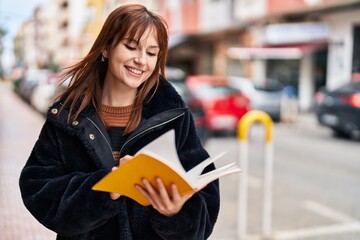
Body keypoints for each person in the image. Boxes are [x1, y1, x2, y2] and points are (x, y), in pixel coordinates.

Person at [19, 4, 220, 240]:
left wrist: (176, 213)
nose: (141, 60)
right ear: (106, 47)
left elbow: (204, 210)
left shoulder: (173, 115)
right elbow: (38, 189)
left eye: (152, 53)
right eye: (131, 47)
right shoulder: (68, 116)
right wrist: (106, 188)